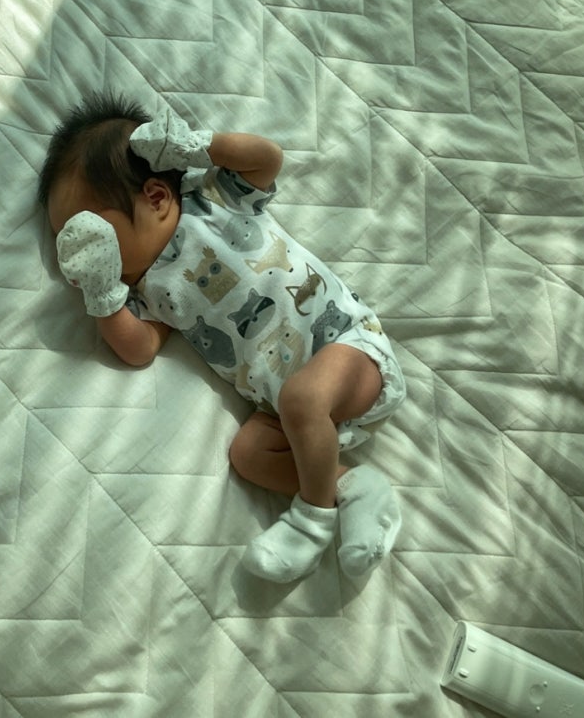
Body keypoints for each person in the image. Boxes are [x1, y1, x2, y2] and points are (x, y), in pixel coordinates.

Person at [38, 92, 405, 584]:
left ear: (156, 197)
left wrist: (197, 147)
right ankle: (352, 486)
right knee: (248, 455)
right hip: (282, 409)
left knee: (302, 399)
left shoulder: (212, 200)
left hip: (349, 346)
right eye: (71, 246)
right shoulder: (147, 290)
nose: (80, 256)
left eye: (93, 235)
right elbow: (139, 348)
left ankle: (312, 522)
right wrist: (102, 292)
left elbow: (267, 160)